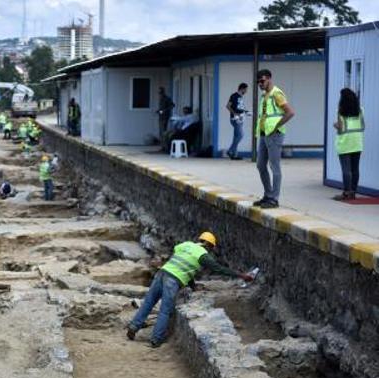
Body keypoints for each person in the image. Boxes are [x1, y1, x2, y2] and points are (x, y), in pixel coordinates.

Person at [126, 232, 254, 348]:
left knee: (148, 302)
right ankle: (156, 339)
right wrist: (242, 276)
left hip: (162, 273)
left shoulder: (186, 245)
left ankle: (133, 326)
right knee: (165, 310)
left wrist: (193, 286)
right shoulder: (203, 256)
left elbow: (185, 267)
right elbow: (219, 269)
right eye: (211, 248)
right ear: (209, 245)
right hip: (173, 280)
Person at [254, 69, 295, 209]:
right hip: (264, 133)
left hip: (274, 134)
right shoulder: (264, 96)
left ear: (270, 79)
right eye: (258, 82)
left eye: (262, 81)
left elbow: (290, 112)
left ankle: (274, 198)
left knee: (274, 166)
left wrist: (277, 125)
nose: (260, 83)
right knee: (260, 165)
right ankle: (268, 194)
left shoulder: (276, 93)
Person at [332, 88, 364, 200]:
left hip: (345, 143)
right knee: (355, 169)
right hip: (357, 142)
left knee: (346, 169)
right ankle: (353, 192)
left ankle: (346, 192)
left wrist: (335, 125)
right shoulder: (360, 110)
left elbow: (340, 128)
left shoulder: (340, 111)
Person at [226, 83, 248, 160]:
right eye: (246, 89)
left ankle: (234, 155)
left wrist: (245, 112)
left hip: (240, 118)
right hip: (235, 119)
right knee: (240, 135)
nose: (246, 91)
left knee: (236, 137)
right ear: (242, 89)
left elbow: (239, 107)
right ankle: (230, 150)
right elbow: (228, 106)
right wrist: (235, 113)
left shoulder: (241, 97)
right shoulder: (234, 96)